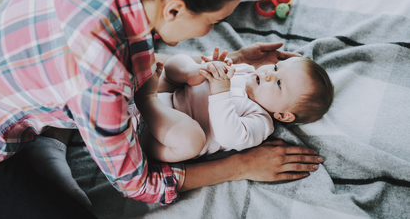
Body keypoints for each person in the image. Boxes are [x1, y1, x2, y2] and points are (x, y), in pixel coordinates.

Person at [0, 0, 324, 216]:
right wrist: (242, 166)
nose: (211, 32)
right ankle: (43, 144)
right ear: (175, 10)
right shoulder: (103, 78)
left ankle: (48, 139)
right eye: (213, 22)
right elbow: (137, 184)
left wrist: (237, 65)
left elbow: (141, 63)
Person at [134, 49, 334, 162]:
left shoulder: (261, 121)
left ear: (283, 115)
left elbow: (228, 136)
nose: (268, 74)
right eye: (275, 68)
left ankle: (146, 100)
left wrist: (220, 90)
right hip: (169, 92)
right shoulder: (246, 71)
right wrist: (207, 68)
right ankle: (178, 78)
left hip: (158, 136)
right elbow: (201, 75)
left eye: (279, 83)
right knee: (180, 61)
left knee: (191, 140)